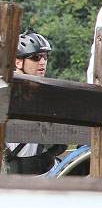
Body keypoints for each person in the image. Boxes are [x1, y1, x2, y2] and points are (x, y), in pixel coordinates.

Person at [4, 29, 66, 174]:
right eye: (36, 57)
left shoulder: (49, 93)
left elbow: (60, 146)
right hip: (14, 177)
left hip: (49, 173)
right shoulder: (4, 91)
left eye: (45, 56)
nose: (43, 62)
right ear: (18, 62)